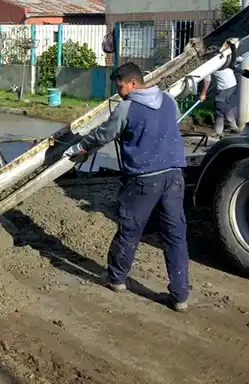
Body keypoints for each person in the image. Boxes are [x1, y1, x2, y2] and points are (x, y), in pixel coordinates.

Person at [63, 62, 189, 312]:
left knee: (130, 228)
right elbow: (169, 124)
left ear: (133, 83)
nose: (118, 91)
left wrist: (79, 148)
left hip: (144, 178)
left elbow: (104, 135)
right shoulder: (168, 100)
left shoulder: (126, 107)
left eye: (120, 86)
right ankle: (180, 296)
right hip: (174, 175)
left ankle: (117, 279)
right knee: (175, 234)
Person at [200, 66, 240, 137]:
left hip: (225, 86)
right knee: (224, 106)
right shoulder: (219, 58)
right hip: (232, 84)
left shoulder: (208, 64)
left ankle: (218, 132)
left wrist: (203, 94)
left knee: (219, 108)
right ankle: (234, 127)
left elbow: (207, 80)